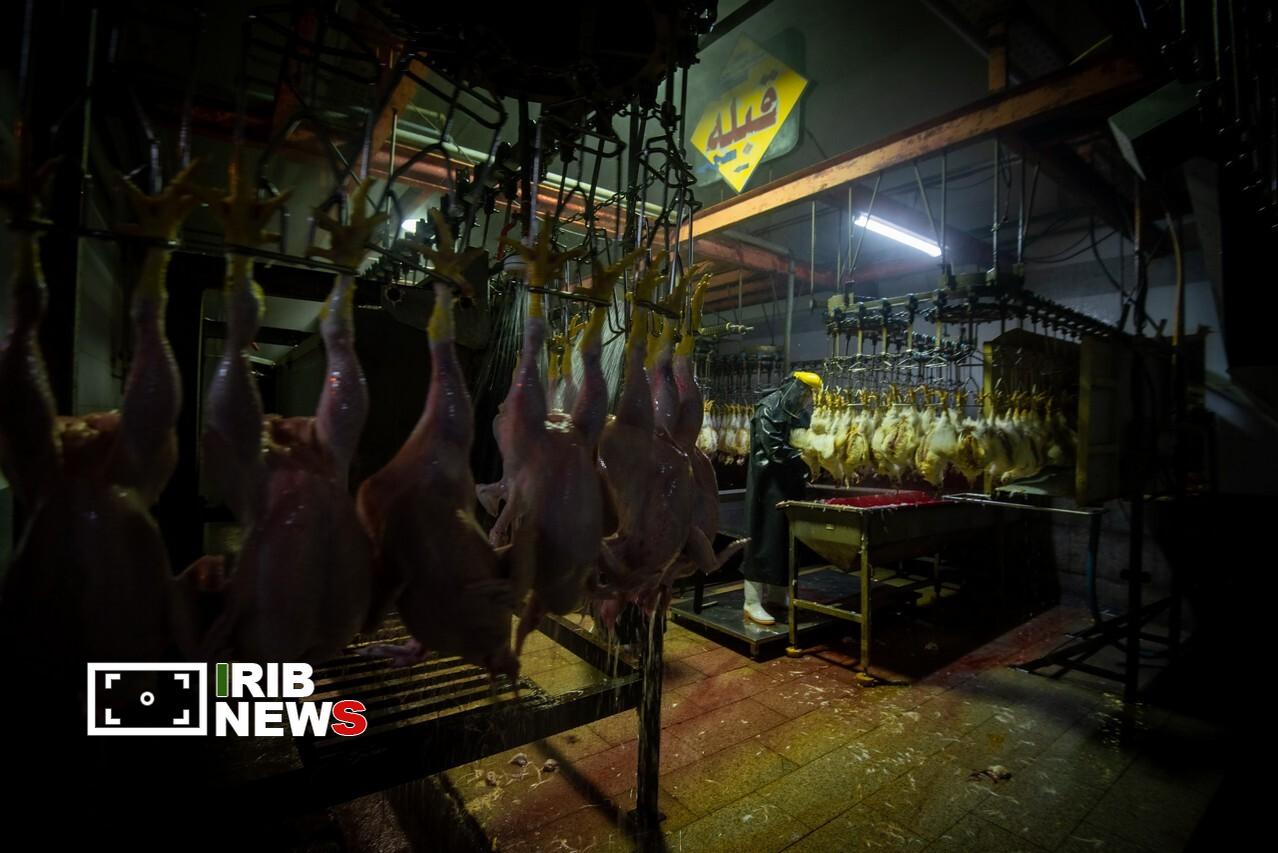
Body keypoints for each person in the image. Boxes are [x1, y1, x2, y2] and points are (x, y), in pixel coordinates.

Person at [742, 371, 822, 625]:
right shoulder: (770, 407)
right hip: (767, 486)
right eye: (806, 392)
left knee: (782, 540)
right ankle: (751, 601)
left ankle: (777, 594)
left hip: (789, 485)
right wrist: (805, 458)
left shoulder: (797, 411)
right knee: (762, 539)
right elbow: (774, 448)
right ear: (795, 387)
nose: (808, 398)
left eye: (810, 394)